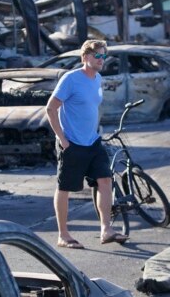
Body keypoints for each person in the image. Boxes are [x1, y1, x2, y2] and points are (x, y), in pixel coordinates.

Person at [45, 39, 128, 249]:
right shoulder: (71, 79)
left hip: (92, 141)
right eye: (97, 56)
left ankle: (106, 229)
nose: (101, 60)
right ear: (85, 57)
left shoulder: (97, 78)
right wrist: (63, 140)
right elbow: (50, 109)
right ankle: (63, 235)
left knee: (105, 180)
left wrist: (96, 129)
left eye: (103, 56)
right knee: (65, 188)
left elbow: (92, 107)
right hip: (71, 143)